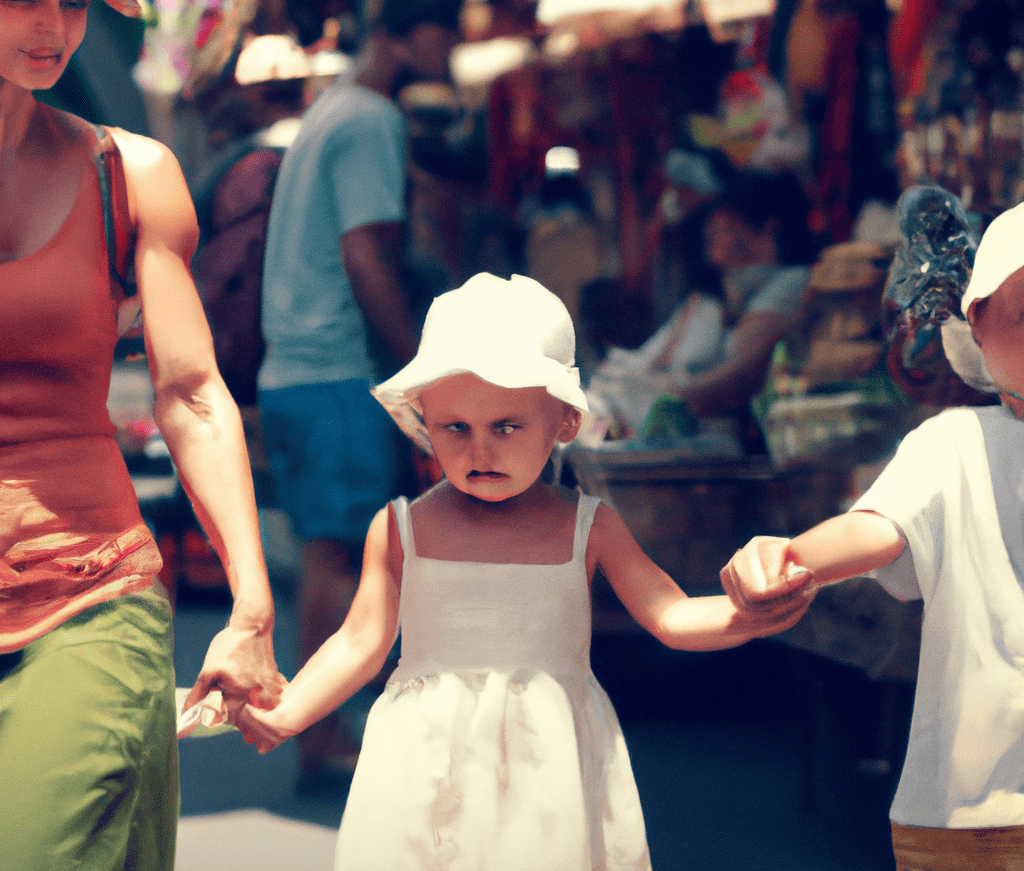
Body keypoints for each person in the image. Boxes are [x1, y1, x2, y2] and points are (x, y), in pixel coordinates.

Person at [237, 272, 812, 869]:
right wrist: (292, 709)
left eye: (506, 427)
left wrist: (752, 611)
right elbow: (360, 642)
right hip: (424, 763)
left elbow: (671, 615)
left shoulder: (590, 525)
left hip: (549, 765)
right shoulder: (401, 527)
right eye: (454, 427)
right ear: (423, 419)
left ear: (563, 423)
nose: (479, 451)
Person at [0, 0, 284, 871]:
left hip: (86, 589)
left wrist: (250, 605)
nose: (52, 27)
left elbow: (192, 392)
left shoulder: (133, 174)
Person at [719, 200, 1024, 870]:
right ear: (975, 322)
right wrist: (792, 557)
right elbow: (876, 530)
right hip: (983, 811)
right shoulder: (954, 444)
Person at [257, 0, 462, 788]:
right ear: (413, 34)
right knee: (342, 556)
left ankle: (317, 726)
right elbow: (366, 252)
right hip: (334, 371)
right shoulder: (373, 118)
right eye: (446, 33)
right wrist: (422, 373)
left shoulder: (332, 106)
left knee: (331, 553)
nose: (450, 52)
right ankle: (319, 733)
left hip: (296, 374)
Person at [585, 170, 818, 441]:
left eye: (725, 231)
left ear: (768, 226)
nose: (713, 251)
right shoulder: (718, 298)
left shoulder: (791, 282)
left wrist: (669, 393)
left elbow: (739, 378)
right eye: (712, 236)